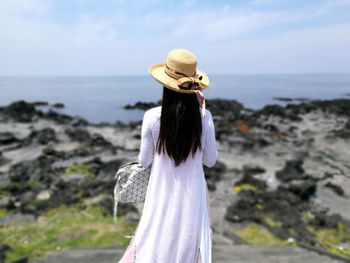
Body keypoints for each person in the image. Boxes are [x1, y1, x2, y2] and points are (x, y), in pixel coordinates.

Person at [118, 48, 218, 263]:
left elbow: (144, 161)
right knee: (189, 247)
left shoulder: (152, 117)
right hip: (193, 196)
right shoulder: (205, 118)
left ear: (165, 84)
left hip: (160, 192)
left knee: (154, 242)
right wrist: (202, 113)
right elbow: (210, 160)